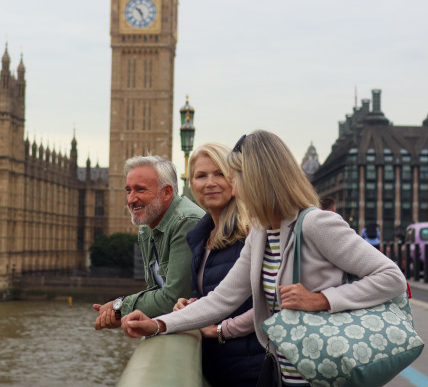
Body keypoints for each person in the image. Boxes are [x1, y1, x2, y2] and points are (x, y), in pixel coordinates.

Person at [119, 131, 407, 387]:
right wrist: (159, 324)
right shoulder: (261, 233)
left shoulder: (315, 224)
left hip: (324, 373)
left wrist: (322, 300)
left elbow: (392, 278)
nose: (233, 186)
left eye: (234, 177)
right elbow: (222, 300)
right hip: (282, 373)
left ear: (257, 178)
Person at [174, 142, 264, 387]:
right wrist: (191, 304)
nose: (210, 183)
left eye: (220, 174)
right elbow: (215, 296)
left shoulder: (253, 231)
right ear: (192, 184)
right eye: (201, 176)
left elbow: (272, 302)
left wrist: (223, 330)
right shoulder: (201, 238)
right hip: (220, 369)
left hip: (254, 370)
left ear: (235, 181)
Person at [93, 155, 204, 331]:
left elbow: (174, 299)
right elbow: (154, 290)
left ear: (167, 192)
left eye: (140, 190)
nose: (131, 199)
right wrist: (122, 314)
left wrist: (120, 306)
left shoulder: (186, 223)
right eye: (128, 190)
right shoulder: (147, 228)